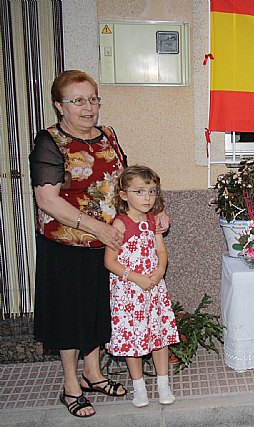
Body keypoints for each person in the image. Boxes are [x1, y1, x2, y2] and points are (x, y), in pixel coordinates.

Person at [28, 70, 168, 418]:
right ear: (60, 106)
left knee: (96, 311)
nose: (88, 107)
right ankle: (71, 385)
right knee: (70, 315)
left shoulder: (108, 135)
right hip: (67, 244)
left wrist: (154, 213)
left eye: (92, 98)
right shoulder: (50, 142)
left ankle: (93, 373)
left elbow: (128, 183)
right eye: (78, 100)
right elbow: (47, 200)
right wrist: (96, 228)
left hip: (110, 242)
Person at [105, 165, 179, 408]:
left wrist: (159, 273)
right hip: (129, 291)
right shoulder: (120, 224)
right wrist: (137, 278)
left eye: (152, 192)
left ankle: (163, 384)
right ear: (124, 195)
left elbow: (160, 249)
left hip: (154, 287)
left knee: (159, 336)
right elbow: (110, 261)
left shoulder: (152, 220)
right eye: (140, 192)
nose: (147, 198)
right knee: (132, 339)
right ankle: (139, 388)